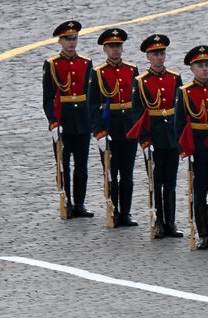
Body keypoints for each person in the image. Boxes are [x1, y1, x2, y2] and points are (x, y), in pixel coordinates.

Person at [132, 34, 185, 239]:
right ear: (148, 57)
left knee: (170, 180)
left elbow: (180, 110)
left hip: (171, 136)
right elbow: (137, 113)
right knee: (156, 180)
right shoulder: (141, 81)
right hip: (153, 137)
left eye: (161, 53)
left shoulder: (174, 78)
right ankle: (158, 222)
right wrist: (144, 140)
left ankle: (170, 221)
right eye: (155, 54)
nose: (159, 58)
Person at [88, 28, 140, 228]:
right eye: (111, 47)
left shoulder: (131, 69)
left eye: (118, 46)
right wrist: (99, 132)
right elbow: (93, 105)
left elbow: (136, 101)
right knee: (111, 172)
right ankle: (113, 210)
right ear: (104, 49)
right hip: (109, 129)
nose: (115, 50)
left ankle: (125, 212)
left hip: (128, 127)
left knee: (127, 174)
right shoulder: (98, 73)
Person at [44, 20, 94, 218]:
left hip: (82, 120)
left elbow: (91, 95)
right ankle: (66, 202)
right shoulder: (52, 65)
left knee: (81, 164)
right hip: (63, 119)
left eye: (74, 38)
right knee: (63, 165)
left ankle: (79, 203)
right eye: (67, 39)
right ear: (60, 41)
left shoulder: (86, 62)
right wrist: (53, 121)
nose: (71, 42)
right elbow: (48, 97)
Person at [181, 46, 208, 249]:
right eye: (200, 66)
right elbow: (179, 123)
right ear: (192, 68)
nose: (205, 69)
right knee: (199, 190)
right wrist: (185, 149)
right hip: (197, 145)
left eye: (207, 65)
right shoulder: (185, 92)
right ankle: (202, 234)